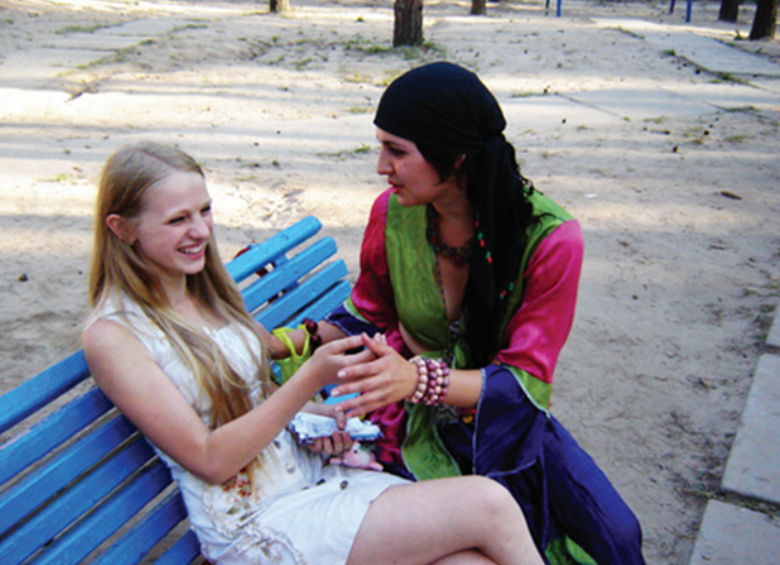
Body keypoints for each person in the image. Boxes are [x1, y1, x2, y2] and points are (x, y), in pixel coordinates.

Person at [82, 141, 545, 565]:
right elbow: (209, 459)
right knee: (488, 504)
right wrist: (309, 378)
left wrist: (326, 420)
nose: (200, 230)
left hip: (318, 481)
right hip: (259, 524)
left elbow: (257, 398)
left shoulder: (207, 295)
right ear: (122, 229)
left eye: (204, 211)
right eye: (177, 220)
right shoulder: (115, 336)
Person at [267, 63, 646, 565]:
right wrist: (278, 342)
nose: (381, 166)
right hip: (400, 422)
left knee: (614, 538)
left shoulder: (550, 239)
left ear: (456, 155)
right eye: (381, 147)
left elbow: (524, 383)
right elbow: (367, 317)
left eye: (397, 151)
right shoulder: (392, 213)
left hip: (501, 422)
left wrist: (418, 379)